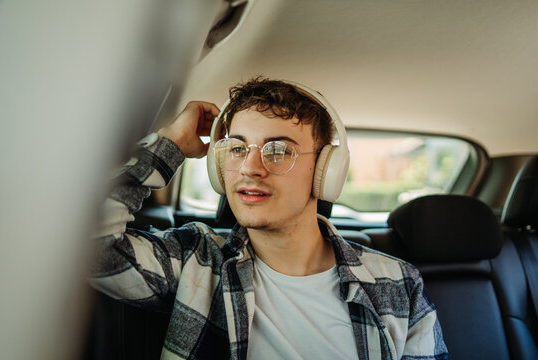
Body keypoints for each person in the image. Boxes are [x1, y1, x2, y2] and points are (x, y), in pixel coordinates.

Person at [90, 78, 448, 360]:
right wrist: (169, 144)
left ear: (326, 171)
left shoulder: (399, 284)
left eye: (278, 150)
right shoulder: (195, 260)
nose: (249, 168)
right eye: (237, 148)